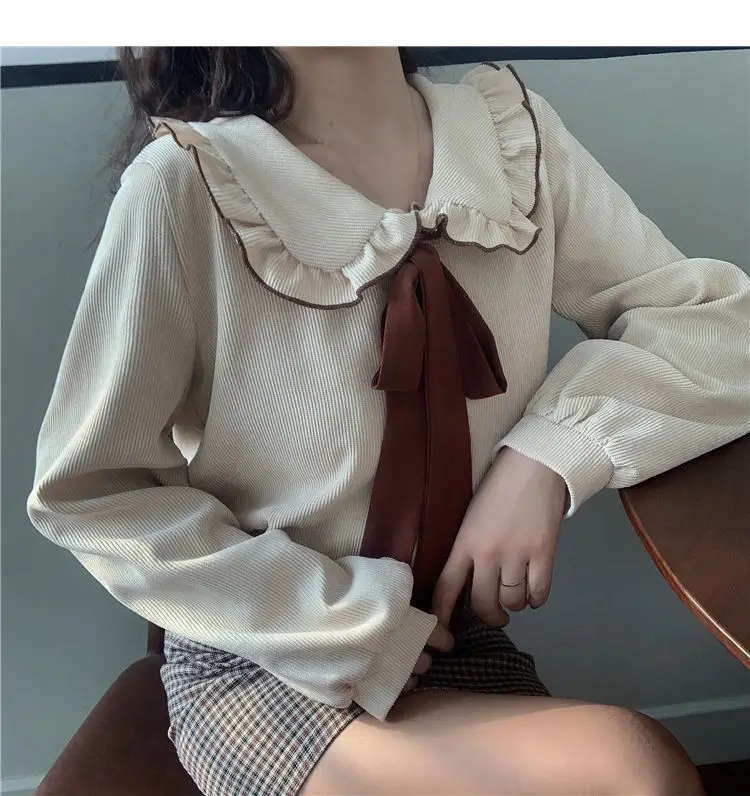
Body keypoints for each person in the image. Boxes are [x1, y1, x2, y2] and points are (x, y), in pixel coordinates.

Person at [27, 46, 749, 796]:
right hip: (267, 660)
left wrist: (550, 455)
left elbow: (720, 324)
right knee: (632, 769)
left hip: (451, 645)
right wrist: (348, 621)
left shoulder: (513, 145)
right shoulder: (186, 186)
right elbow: (92, 494)